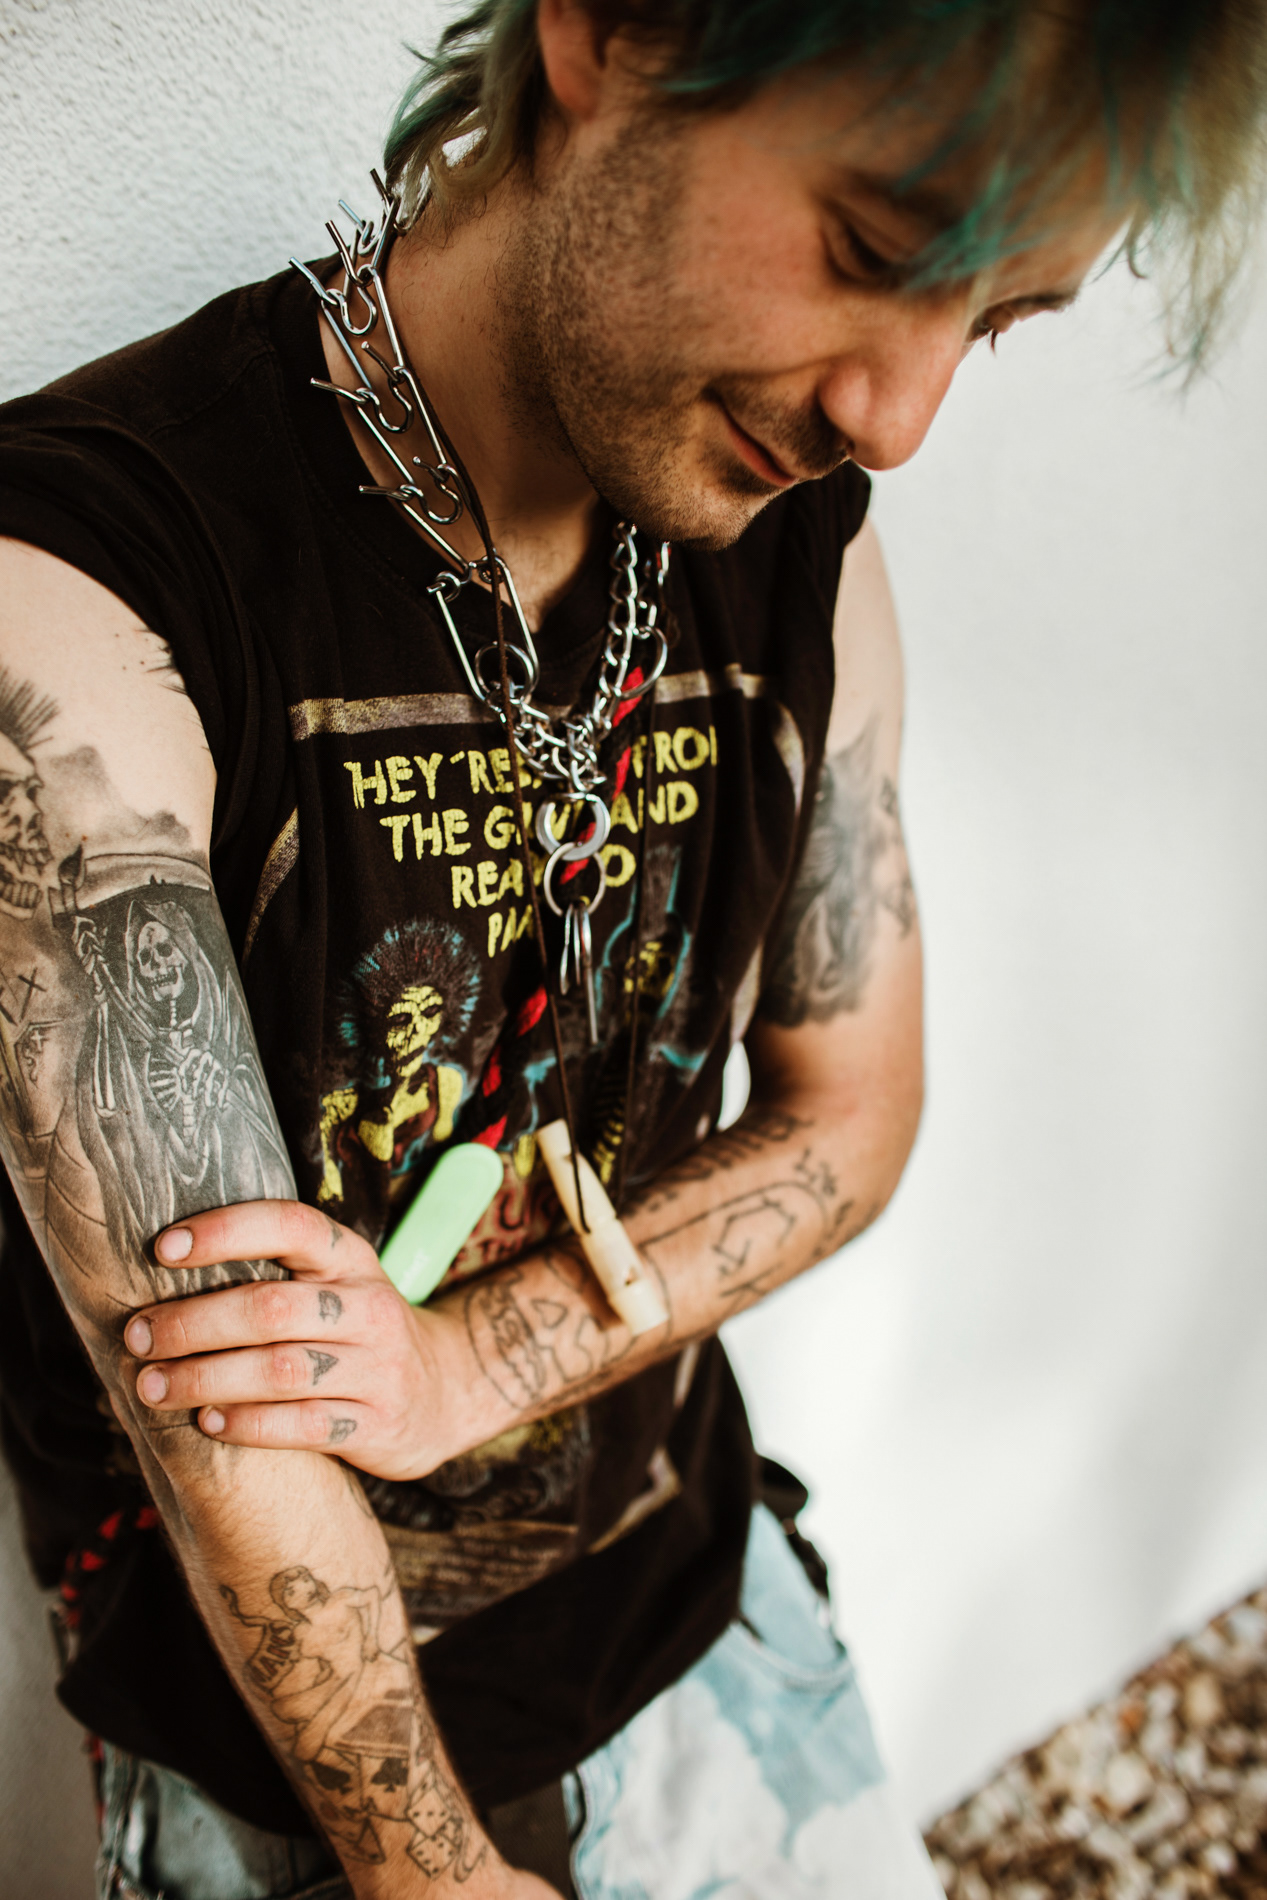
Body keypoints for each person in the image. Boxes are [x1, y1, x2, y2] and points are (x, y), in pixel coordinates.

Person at [0, 1, 1263, 1896]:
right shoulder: (83, 594)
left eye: (996, 322)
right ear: (618, 31)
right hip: (308, 1782)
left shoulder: (801, 538)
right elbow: (223, 1425)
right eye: (876, 250)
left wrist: (470, 1364)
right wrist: (437, 1873)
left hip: (712, 1617)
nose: (899, 421)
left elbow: (852, 1112)